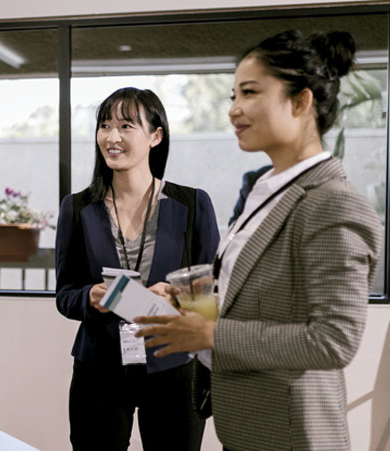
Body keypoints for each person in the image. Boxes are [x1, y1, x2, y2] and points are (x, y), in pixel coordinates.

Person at [135, 30, 383, 451]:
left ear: (301, 102)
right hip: (248, 426)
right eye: (233, 95)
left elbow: (333, 340)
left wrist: (211, 335)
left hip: (293, 434)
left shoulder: (333, 204)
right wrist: (194, 302)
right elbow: (260, 291)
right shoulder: (264, 192)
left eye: (249, 93)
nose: (234, 109)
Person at [55, 87, 220, 450]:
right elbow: (65, 295)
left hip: (174, 367)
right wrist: (89, 297)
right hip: (99, 368)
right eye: (104, 125)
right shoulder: (77, 208)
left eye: (126, 125)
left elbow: (211, 297)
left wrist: (178, 297)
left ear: (155, 136)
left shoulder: (193, 204)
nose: (111, 137)